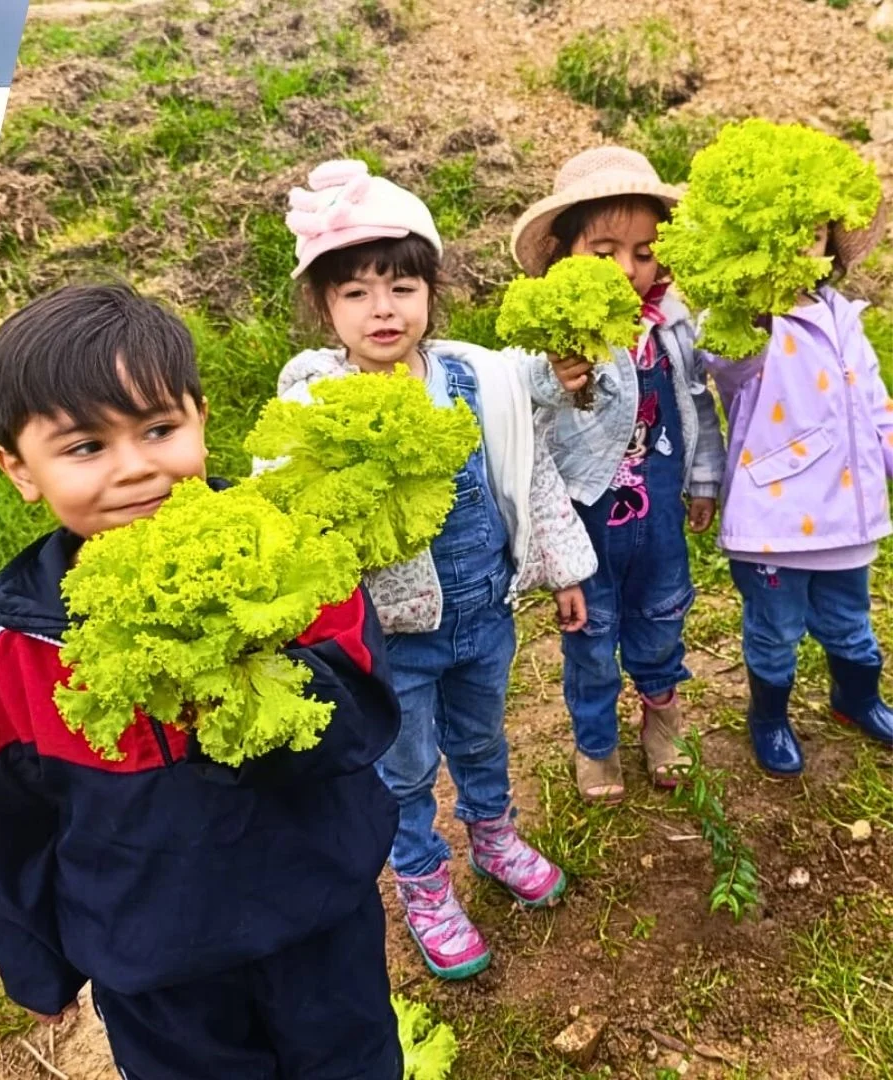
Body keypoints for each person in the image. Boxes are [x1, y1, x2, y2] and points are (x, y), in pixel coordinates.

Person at [0, 282, 405, 1078]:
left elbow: (365, 719)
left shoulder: (292, 566)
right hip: (154, 963)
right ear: (19, 469)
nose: (136, 470)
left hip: (317, 920)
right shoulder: (22, 649)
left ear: (201, 417)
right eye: (85, 447)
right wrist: (34, 962)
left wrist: (251, 670)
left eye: (160, 429)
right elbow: (7, 814)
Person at [276, 159, 597, 980]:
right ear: (324, 308)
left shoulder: (475, 379)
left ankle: (494, 835)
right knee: (406, 763)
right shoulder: (317, 407)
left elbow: (528, 472)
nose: (382, 310)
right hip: (394, 637)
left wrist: (563, 568)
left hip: (484, 612)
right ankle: (422, 881)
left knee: (483, 739)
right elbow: (290, 516)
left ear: (430, 291)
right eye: (356, 293)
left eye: (401, 288)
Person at [507, 146, 729, 802]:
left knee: (662, 621)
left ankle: (663, 717)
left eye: (643, 252)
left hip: (657, 516)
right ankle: (595, 742)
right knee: (591, 641)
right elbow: (527, 439)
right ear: (564, 253)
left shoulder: (671, 329)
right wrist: (550, 379)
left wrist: (705, 479)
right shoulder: (548, 344)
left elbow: (697, 407)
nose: (628, 270)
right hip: (585, 531)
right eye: (603, 252)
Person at [701, 173, 893, 776]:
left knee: (850, 621)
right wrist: (749, 316)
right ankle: (769, 715)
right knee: (775, 632)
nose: (801, 246)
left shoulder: (842, 313)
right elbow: (725, 363)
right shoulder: (750, 321)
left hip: (848, 513)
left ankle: (856, 697)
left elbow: (873, 401)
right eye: (782, 233)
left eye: (813, 233)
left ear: (830, 243)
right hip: (777, 521)